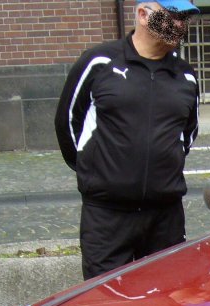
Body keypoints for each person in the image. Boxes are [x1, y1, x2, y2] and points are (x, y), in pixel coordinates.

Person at [55, 1, 201, 279]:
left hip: (165, 217)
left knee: (167, 298)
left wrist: (162, 169)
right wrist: (95, 170)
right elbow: (68, 123)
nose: (180, 25)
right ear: (143, 15)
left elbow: (188, 133)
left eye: (184, 18)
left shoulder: (185, 75)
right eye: (172, 16)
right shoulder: (99, 62)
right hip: (107, 216)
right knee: (107, 300)